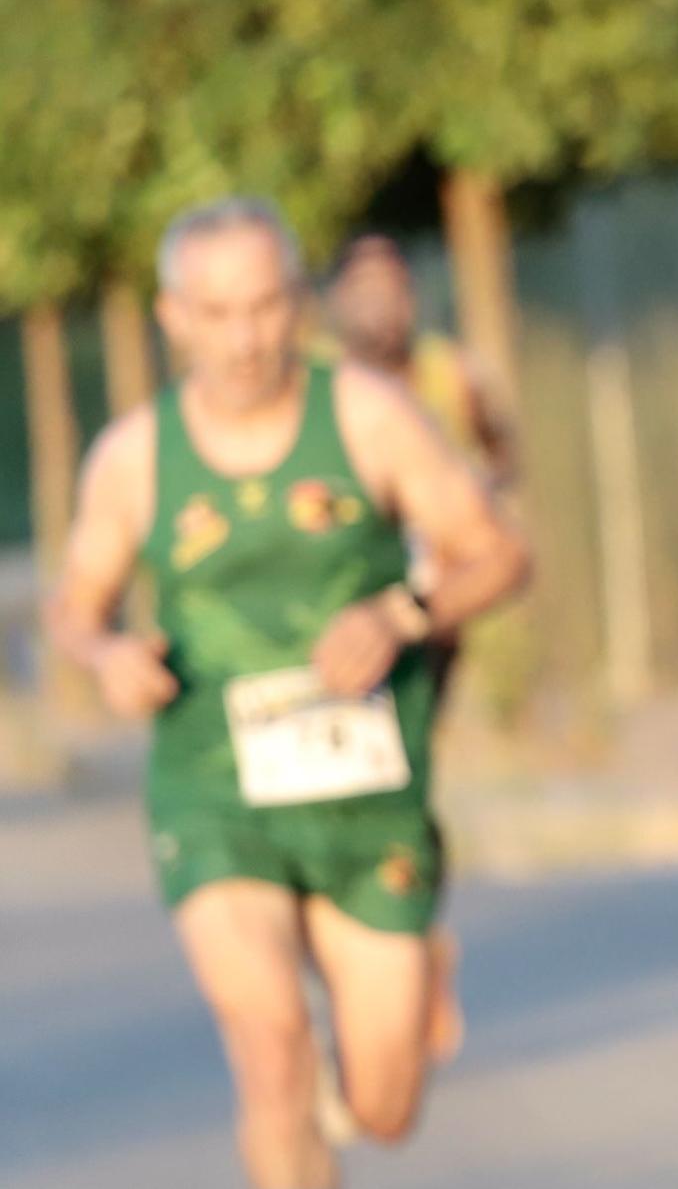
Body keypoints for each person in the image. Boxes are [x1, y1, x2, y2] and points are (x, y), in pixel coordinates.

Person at [46, 197, 532, 1189]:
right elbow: (75, 606)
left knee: (387, 1108)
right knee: (270, 1049)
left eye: (266, 307)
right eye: (216, 312)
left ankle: (413, 963)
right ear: (172, 315)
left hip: (366, 792)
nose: (243, 337)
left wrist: (402, 613)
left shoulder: (366, 414)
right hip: (215, 791)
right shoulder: (136, 457)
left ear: (300, 305)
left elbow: (498, 553)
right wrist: (106, 656)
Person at [324, 233, 515, 488]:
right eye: (367, 289)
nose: (381, 304)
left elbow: (501, 453)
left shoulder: (453, 373)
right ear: (340, 297)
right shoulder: (318, 382)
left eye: (391, 288)